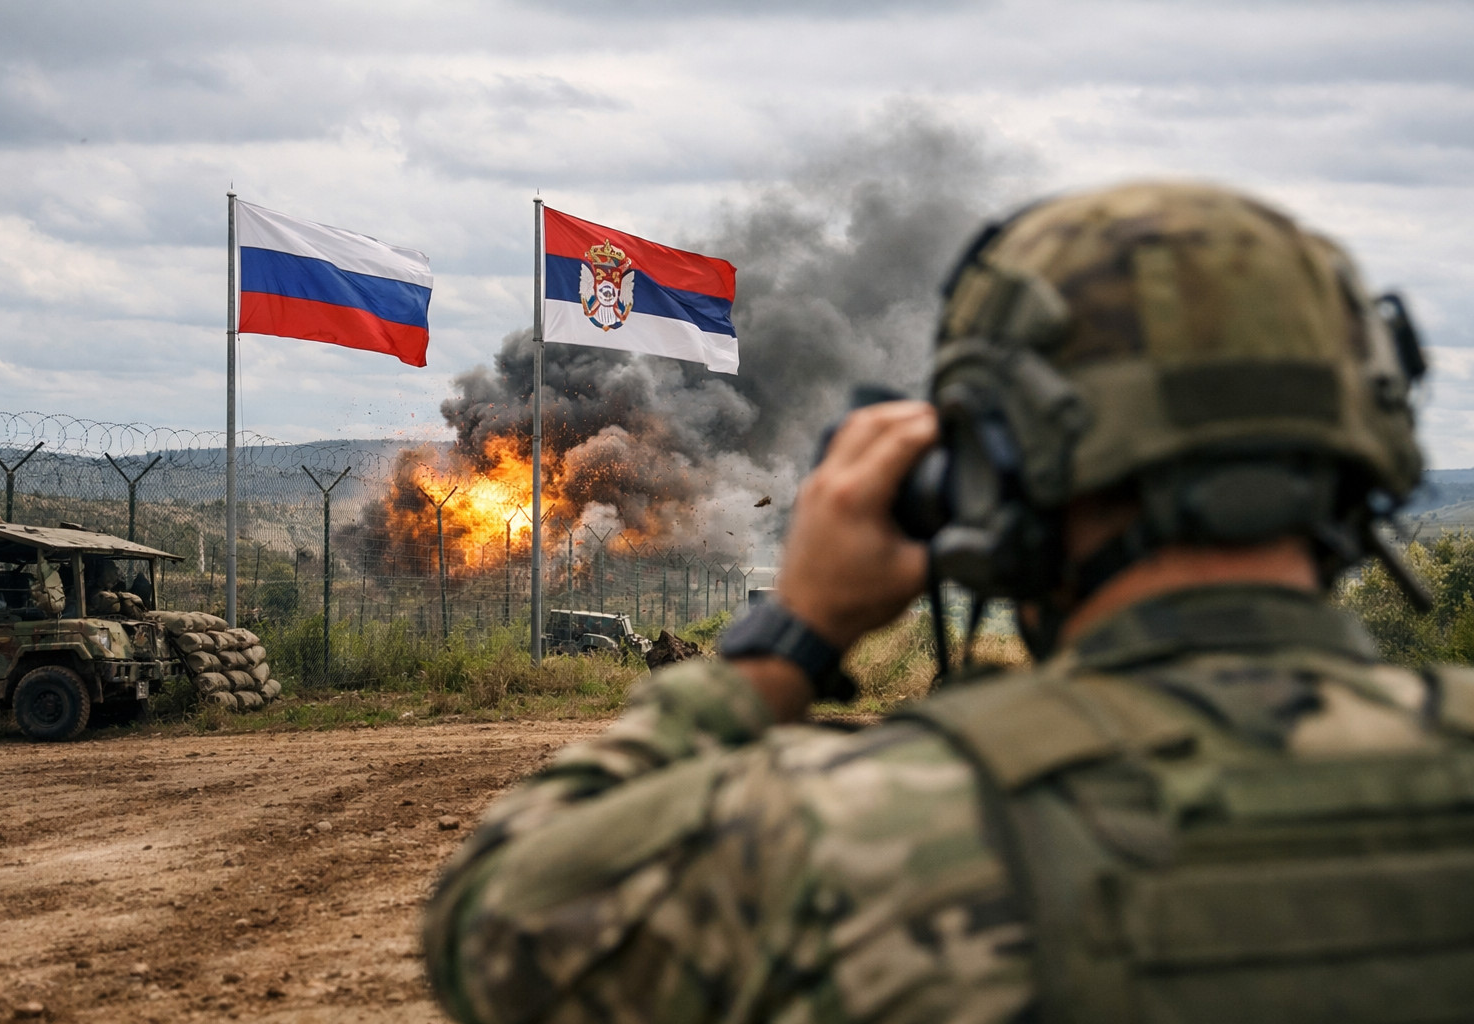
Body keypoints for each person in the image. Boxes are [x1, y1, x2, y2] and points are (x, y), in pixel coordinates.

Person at [422, 182, 1472, 1024]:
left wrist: (789, 637)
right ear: (1363, 453)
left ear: (989, 480)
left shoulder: (857, 837)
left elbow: (504, 925)